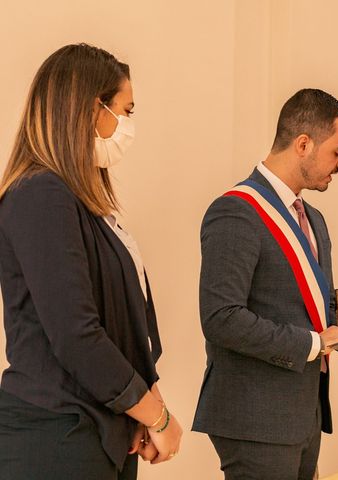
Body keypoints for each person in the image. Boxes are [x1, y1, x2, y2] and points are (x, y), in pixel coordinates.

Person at [192, 88, 338, 479]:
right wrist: (315, 344)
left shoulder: (314, 220)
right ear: (303, 143)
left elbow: (323, 314)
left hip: (304, 413)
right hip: (255, 418)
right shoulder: (235, 211)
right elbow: (221, 318)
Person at [0, 44, 182, 480]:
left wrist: (141, 401)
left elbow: (120, 320)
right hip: (56, 435)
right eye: (126, 109)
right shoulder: (41, 195)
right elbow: (77, 335)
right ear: (89, 108)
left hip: (97, 430)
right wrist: (157, 416)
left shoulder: (81, 202)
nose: (129, 125)